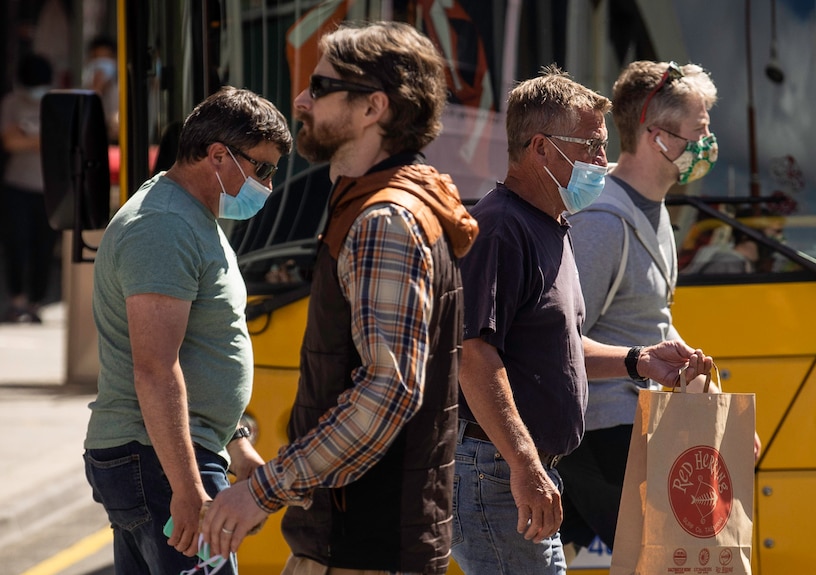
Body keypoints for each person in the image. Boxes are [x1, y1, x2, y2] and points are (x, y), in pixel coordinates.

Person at [200, 21, 478, 575]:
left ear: (374, 106)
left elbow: (387, 390)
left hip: (362, 549)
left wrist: (265, 489)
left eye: (320, 88)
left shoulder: (385, 221)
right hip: (357, 542)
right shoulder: (381, 198)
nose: (301, 100)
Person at [451, 65, 714, 575]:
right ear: (540, 148)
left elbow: (559, 349)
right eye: (589, 146)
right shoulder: (502, 228)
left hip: (522, 472)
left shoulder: (552, 224)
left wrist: (640, 361)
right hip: (498, 472)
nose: (602, 160)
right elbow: (474, 354)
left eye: (603, 144)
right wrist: (526, 468)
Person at [83, 86, 293, 574]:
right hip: (160, 461)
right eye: (261, 168)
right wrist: (186, 488)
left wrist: (235, 443)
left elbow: (200, 351)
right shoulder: (162, 226)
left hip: (173, 456)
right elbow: (155, 369)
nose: (266, 183)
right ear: (218, 155)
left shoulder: (192, 217)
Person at [556, 60, 760, 556]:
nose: (708, 144)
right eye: (699, 131)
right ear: (657, 136)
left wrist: (719, 410)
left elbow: (651, 322)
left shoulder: (654, 209)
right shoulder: (604, 223)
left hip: (634, 428)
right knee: (670, 561)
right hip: (606, 436)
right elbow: (557, 339)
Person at [1, 52, 59, 323]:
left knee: (43, 247)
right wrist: (42, 139)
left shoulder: (56, 101)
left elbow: (59, 142)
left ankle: (35, 302)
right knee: (17, 243)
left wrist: (27, 136)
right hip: (18, 185)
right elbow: (10, 142)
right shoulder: (11, 102)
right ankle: (17, 299)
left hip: (49, 187)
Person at [82, 34, 119, 142]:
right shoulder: (83, 91)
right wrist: (96, 89)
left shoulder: (123, 90)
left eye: (106, 59)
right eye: (97, 58)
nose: (101, 66)